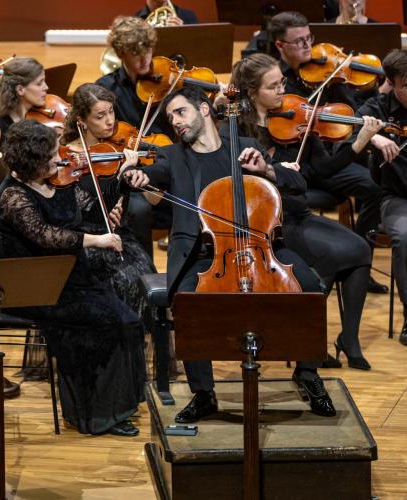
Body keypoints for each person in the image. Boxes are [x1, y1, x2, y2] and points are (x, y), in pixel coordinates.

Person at [141, 86, 336, 421]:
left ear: (204, 110)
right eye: (170, 117)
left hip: (262, 248)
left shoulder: (246, 148)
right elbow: (154, 175)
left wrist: (266, 170)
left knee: (311, 287)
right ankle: (204, 394)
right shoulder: (171, 157)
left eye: (180, 112)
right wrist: (138, 175)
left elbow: (297, 185)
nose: (175, 122)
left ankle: (307, 374)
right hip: (202, 255)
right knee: (188, 301)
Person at [0, 119, 148, 436]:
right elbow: (46, 236)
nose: (60, 159)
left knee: (128, 321)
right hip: (37, 286)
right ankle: (95, 415)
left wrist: (121, 183)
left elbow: (89, 210)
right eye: (51, 156)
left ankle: (119, 404)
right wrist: (96, 240)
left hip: (70, 277)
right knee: (109, 324)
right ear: (32, 162)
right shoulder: (14, 196)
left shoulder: (55, 181)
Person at [230, 53, 380, 369]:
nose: (282, 91)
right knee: (330, 257)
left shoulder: (297, 121)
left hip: (299, 216)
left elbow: (325, 170)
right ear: (252, 91)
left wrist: (361, 140)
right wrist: (272, 170)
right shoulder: (237, 129)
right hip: (268, 224)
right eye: (273, 87)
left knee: (359, 249)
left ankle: (348, 339)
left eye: (281, 82)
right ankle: (305, 341)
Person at [269, 11, 386, 293]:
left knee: (376, 185)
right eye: (299, 41)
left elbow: (351, 110)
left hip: (330, 158)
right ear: (280, 45)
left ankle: (358, 261)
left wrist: (374, 120)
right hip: (296, 169)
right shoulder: (272, 80)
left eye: (309, 38)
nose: (308, 46)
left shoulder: (328, 73)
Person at [60, 83, 159, 333]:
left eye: (111, 112)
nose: (110, 122)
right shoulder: (68, 158)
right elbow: (76, 206)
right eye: (100, 116)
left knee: (144, 279)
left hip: (117, 237)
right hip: (85, 242)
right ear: (81, 121)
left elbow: (156, 200)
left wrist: (137, 173)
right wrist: (122, 173)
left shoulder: (119, 152)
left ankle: (132, 353)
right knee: (121, 282)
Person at [95, 16, 172, 258]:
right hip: (129, 171)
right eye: (136, 53)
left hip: (165, 162)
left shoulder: (166, 82)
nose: (145, 59)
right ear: (120, 53)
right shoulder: (106, 89)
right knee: (138, 210)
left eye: (148, 50)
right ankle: (143, 271)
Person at [353, 48, 407, 346]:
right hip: (398, 197)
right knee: (405, 238)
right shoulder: (379, 108)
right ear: (391, 83)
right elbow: (354, 125)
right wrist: (373, 135)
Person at [0, 57, 47, 163]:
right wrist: (23, 161)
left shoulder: (43, 117)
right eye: (39, 83)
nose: (46, 87)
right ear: (20, 89)